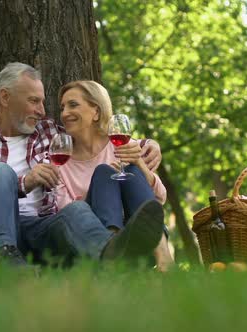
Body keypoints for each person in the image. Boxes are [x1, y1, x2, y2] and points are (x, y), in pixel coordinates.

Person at [0, 62, 164, 268]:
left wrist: (149, 145)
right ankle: (4, 261)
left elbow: (95, 136)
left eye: (42, 102)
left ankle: (113, 255)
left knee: (77, 209)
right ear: (5, 97)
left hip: (42, 229)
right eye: (34, 101)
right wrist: (24, 182)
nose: (42, 110)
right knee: (2, 172)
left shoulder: (50, 133)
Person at [56, 80, 174, 271]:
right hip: (93, 244)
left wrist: (140, 165)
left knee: (132, 171)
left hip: (141, 238)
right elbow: (69, 215)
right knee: (104, 173)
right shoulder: (61, 162)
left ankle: (163, 256)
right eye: (62, 107)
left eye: (73, 105)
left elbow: (160, 197)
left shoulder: (120, 144)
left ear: (96, 111)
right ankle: (112, 252)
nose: (64, 113)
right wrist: (104, 188)